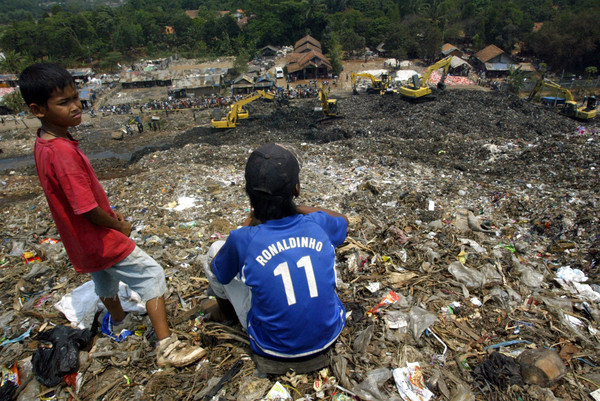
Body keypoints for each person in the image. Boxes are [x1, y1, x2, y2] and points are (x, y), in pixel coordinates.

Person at [18, 63, 205, 368]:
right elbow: (85, 208)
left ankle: (118, 320)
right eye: (64, 103)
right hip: (99, 236)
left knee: (103, 279)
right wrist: (118, 224)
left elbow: (76, 200)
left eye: (76, 98)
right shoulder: (63, 152)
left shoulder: (45, 144)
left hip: (80, 240)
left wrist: (107, 211)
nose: (76, 106)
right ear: (37, 109)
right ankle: (167, 348)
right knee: (152, 275)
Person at [203, 143, 349, 373]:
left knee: (215, 251)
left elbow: (218, 270)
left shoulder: (243, 238)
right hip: (328, 337)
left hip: (273, 348)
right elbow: (342, 220)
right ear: (296, 189)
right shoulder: (317, 223)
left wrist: (251, 219)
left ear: (249, 193)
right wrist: (297, 207)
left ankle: (226, 314)